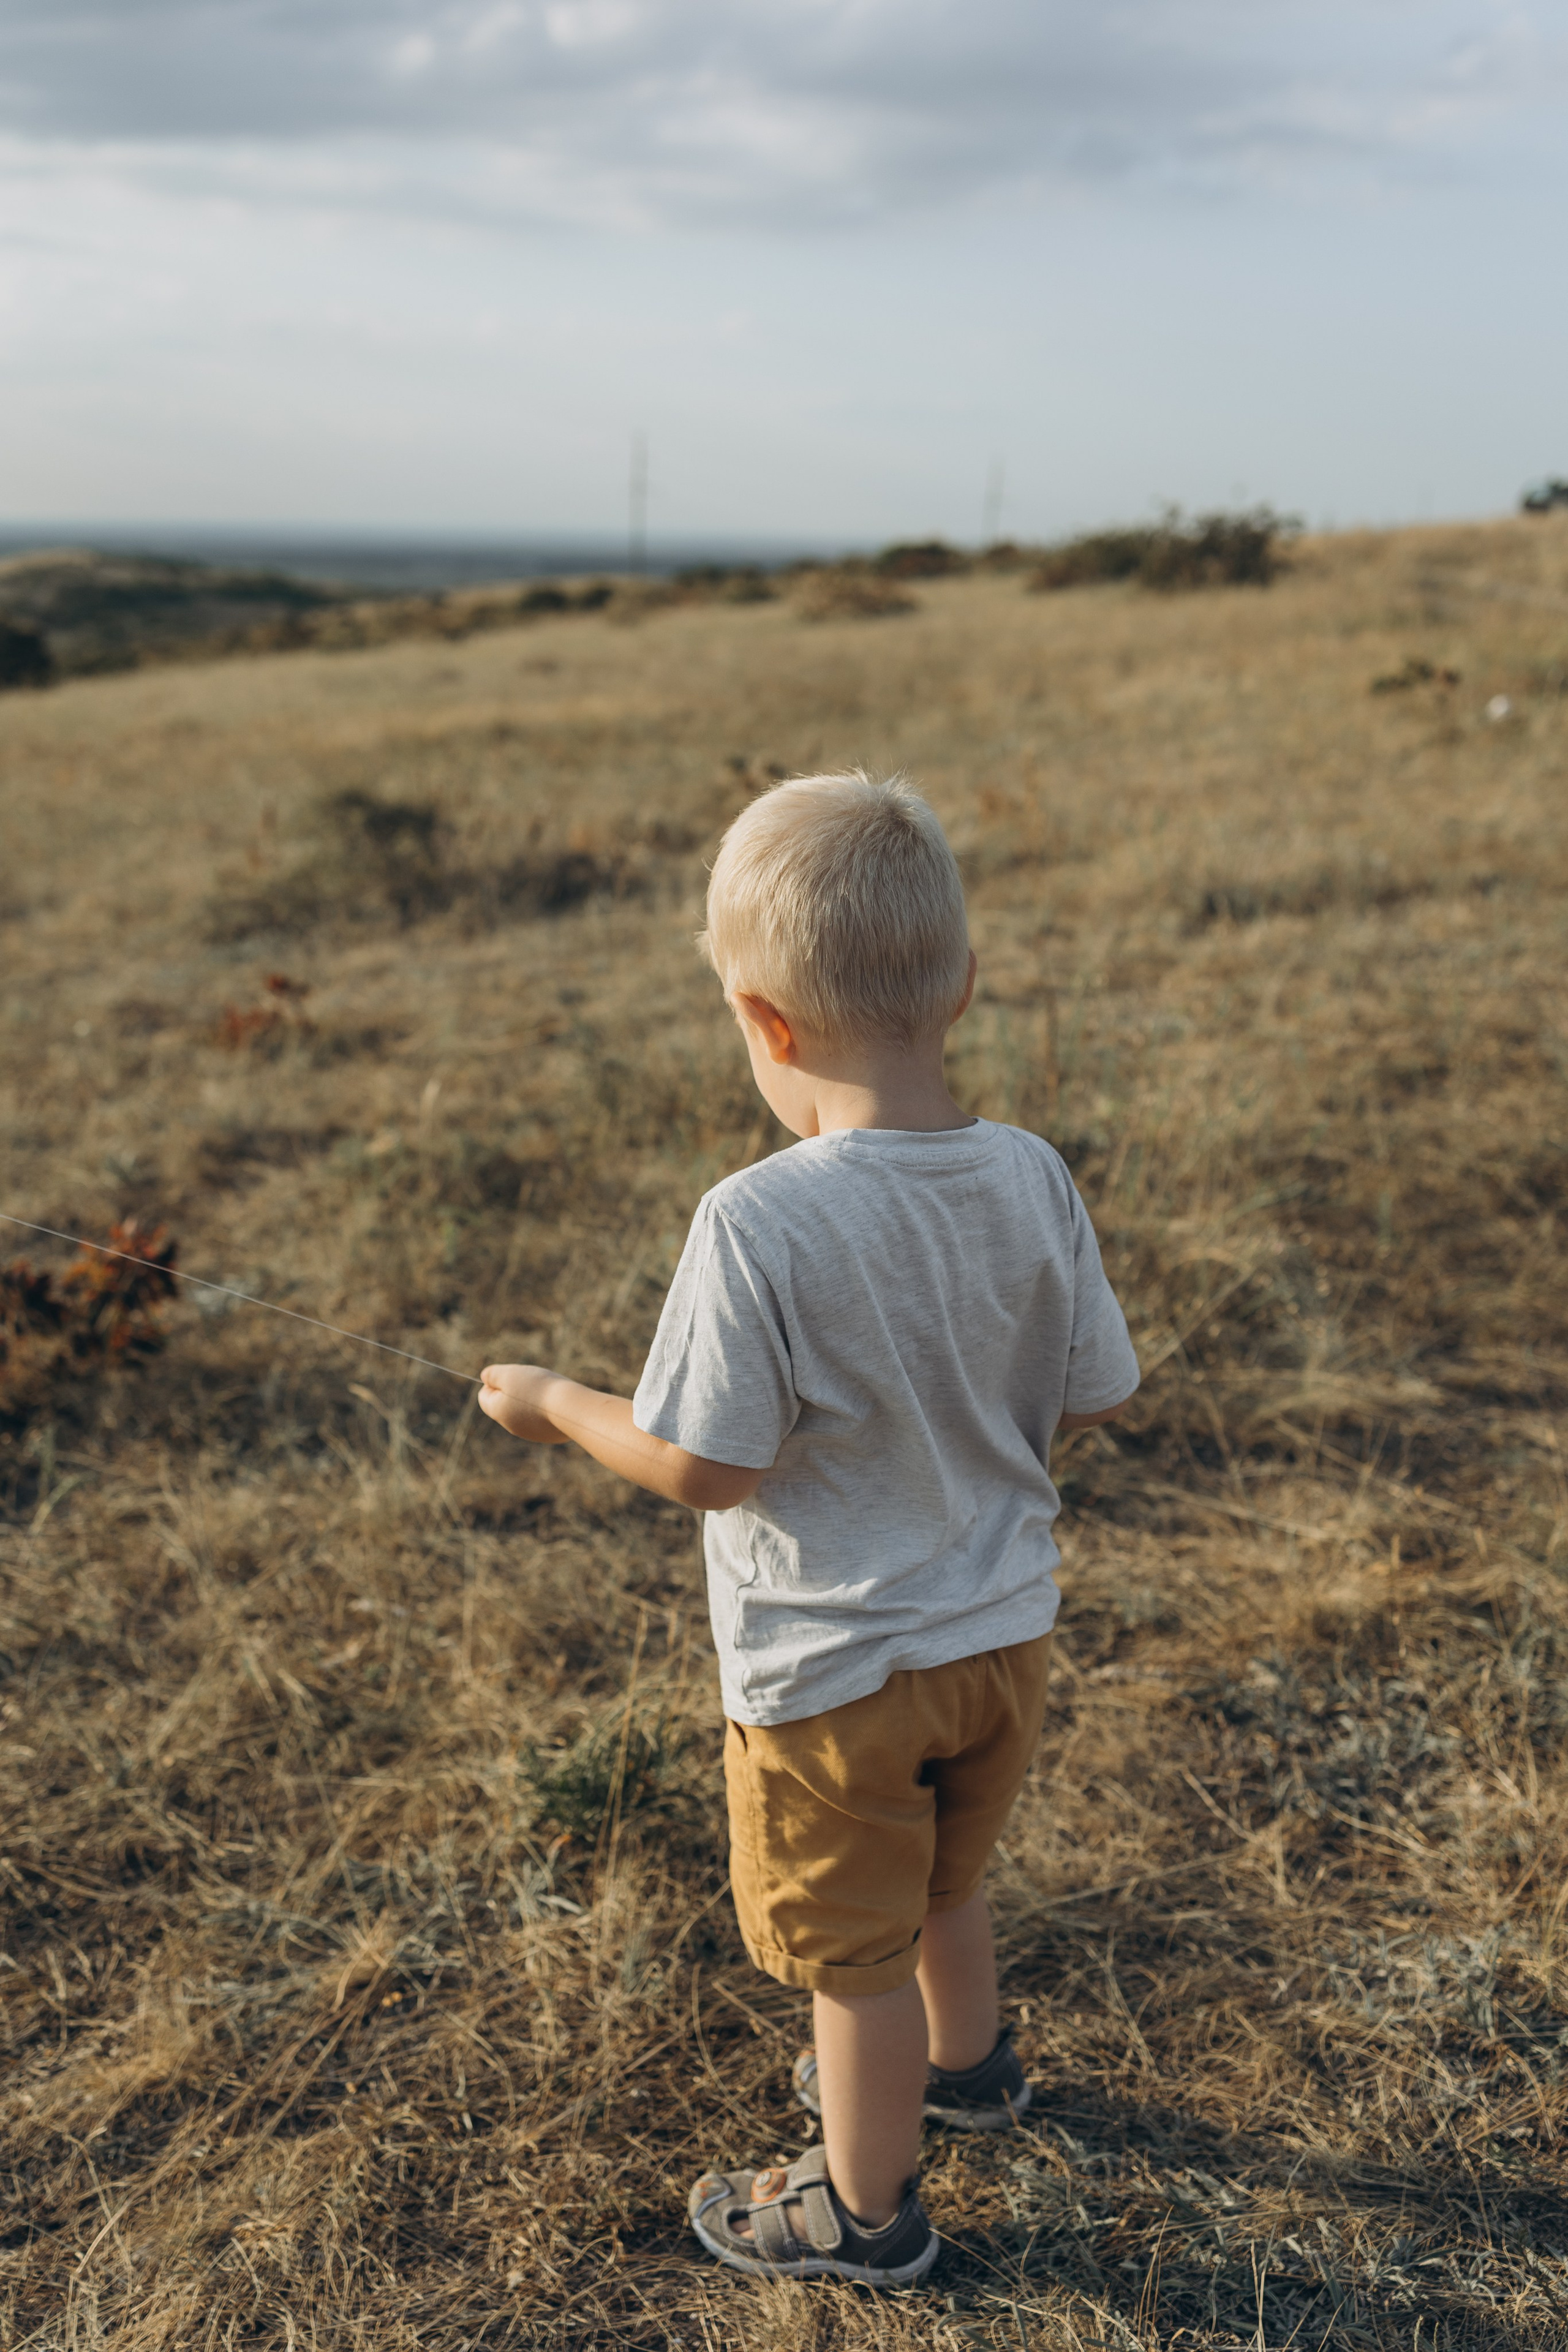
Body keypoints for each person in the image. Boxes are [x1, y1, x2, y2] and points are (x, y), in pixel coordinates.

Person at [478, 771, 1139, 2285]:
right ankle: (970, 2074)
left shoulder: (757, 1219)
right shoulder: (1031, 1171)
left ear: (763, 1023)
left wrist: (557, 1402)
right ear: (962, 985)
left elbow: (705, 1468)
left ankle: (863, 2214)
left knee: (851, 1970)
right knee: (946, 1887)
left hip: (833, 1682)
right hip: (1002, 1642)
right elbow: (1098, 1390)